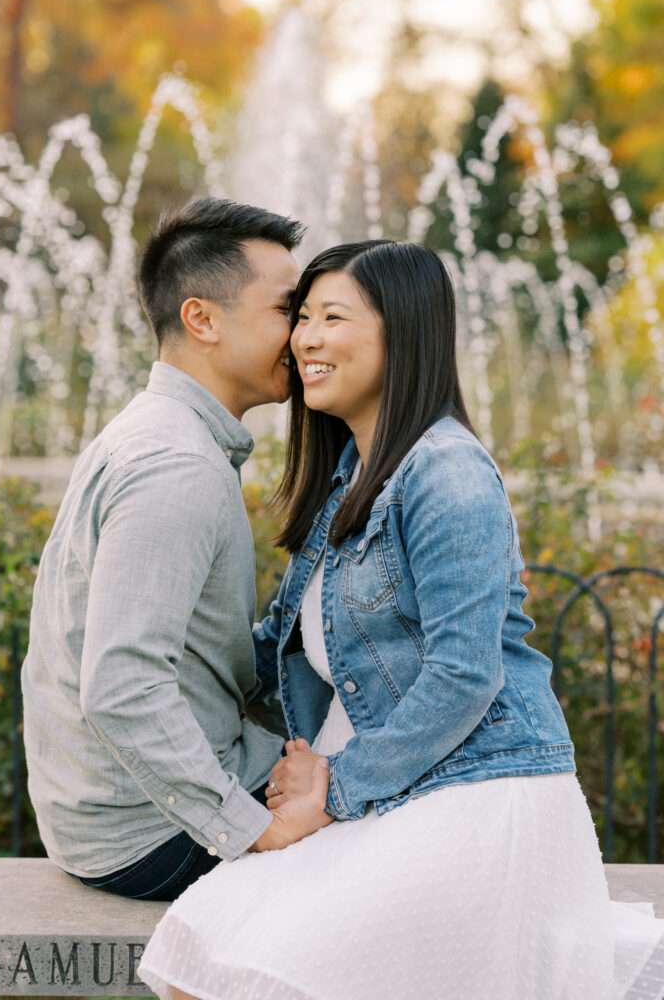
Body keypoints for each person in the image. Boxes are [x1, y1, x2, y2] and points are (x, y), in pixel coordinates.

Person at [138, 240, 664, 1000]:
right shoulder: (349, 479)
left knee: (257, 966)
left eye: (331, 318)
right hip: (395, 797)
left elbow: (464, 676)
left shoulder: (447, 472)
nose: (305, 339)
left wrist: (335, 788)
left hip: (478, 798)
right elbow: (269, 656)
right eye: (302, 316)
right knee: (200, 946)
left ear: (403, 332)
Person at [21, 197, 331, 901]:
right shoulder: (176, 465)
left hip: (118, 818)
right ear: (202, 318)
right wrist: (252, 830)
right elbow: (121, 683)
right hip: (151, 835)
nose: (306, 334)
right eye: (289, 309)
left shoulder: (157, 433)